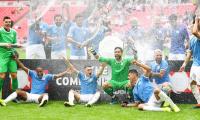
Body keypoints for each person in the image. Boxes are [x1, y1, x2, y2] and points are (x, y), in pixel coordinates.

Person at [0, 56, 70, 107]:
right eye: (38, 72)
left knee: (46, 95)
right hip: (30, 96)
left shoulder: (47, 76)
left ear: (43, 71)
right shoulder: (32, 73)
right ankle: (4, 102)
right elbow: (23, 67)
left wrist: (66, 72)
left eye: (40, 71)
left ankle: (41, 104)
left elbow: (58, 76)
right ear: (36, 72)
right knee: (18, 91)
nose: (39, 73)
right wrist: (17, 60)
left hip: (39, 97)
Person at [179, 15, 200, 108]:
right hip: (195, 65)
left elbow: (195, 31)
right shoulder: (192, 38)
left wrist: (196, 19)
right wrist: (184, 64)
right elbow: (189, 53)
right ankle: (199, 102)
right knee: (192, 83)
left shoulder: (196, 34)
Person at [0, 16, 22, 96]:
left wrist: (17, 46)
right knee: (2, 76)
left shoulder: (14, 32)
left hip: (12, 56)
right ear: (3, 22)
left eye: (9, 22)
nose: (8, 23)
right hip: (2, 56)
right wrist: (4, 44)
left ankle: (15, 95)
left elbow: (14, 44)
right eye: (6, 22)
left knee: (14, 75)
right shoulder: (0, 31)